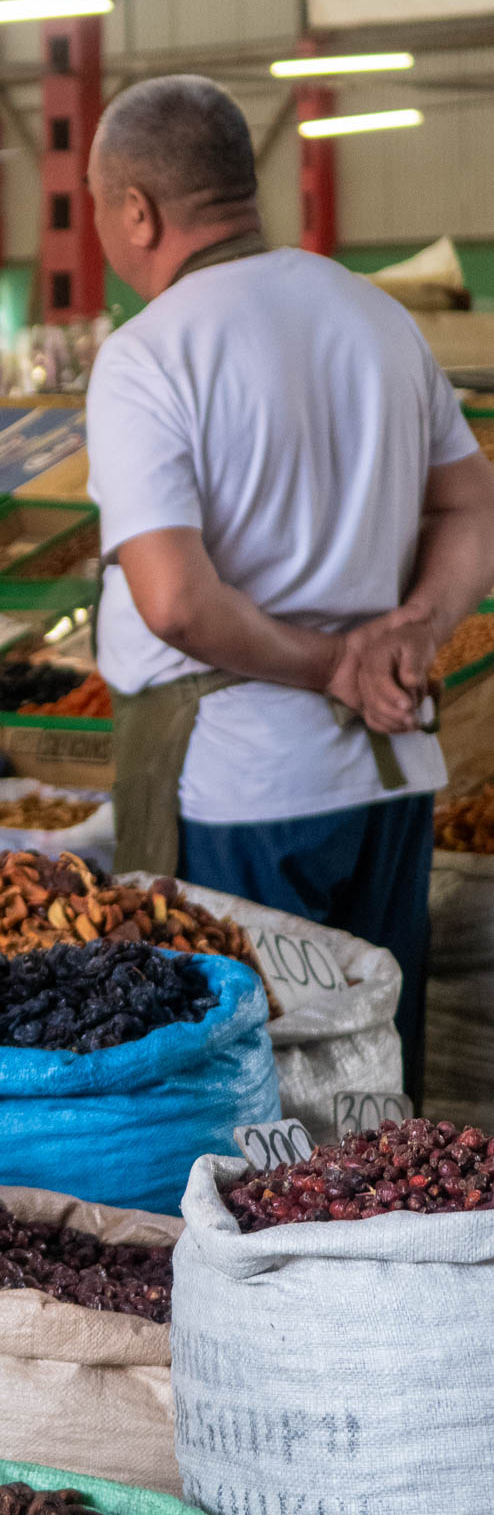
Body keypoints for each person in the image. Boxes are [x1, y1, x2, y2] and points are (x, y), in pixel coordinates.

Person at [84, 73, 494, 1095]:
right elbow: (472, 507)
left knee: (246, 1094)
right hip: (388, 777)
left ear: (136, 210)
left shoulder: (149, 354)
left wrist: (330, 666)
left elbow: (175, 601)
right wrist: (414, 629)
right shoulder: (375, 316)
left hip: (239, 789)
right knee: (370, 1088)